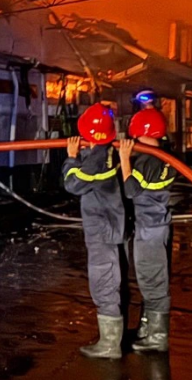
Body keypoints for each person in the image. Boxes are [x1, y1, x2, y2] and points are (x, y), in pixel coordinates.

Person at [63, 103, 126, 359]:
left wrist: (71, 157)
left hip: (101, 228)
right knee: (107, 278)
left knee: (103, 281)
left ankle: (110, 345)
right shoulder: (106, 151)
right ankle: (110, 341)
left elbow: (72, 184)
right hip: (107, 224)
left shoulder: (98, 158)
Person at [121, 106, 176, 353]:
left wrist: (125, 159)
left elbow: (131, 190)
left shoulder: (147, 160)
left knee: (152, 280)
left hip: (149, 230)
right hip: (160, 225)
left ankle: (157, 338)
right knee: (154, 279)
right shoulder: (167, 155)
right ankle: (147, 329)